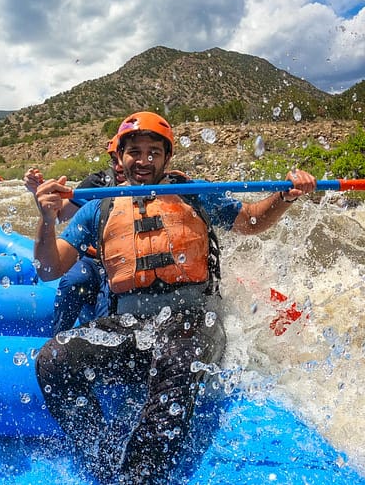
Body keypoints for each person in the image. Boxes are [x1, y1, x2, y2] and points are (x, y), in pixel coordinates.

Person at [30, 111, 317, 483]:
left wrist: (284, 195)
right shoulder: (96, 208)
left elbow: (250, 221)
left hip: (195, 321)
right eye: (135, 151)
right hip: (129, 326)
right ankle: (101, 454)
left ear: (167, 158)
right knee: (54, 358)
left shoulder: (193, 195)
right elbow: (49, 269)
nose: (144, 160)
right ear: (120, 158)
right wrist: (45, 218)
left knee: (176, 349)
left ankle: (141, 476)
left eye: (154, 152)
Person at [24, 135, 126, 333]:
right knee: (73, 281)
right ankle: (58, 337)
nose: (120, 166)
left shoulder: (168, 185)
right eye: (116, 160)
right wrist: (40, 195)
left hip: (125, 263)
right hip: (95, 260)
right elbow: (59, 214)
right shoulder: (97, 183)